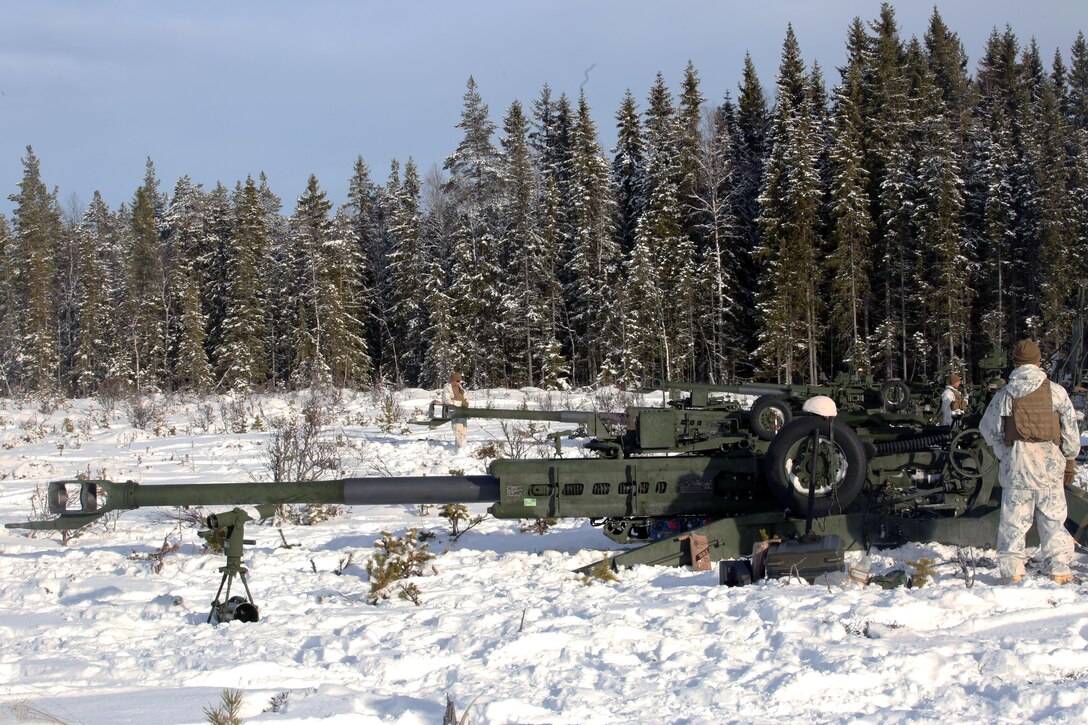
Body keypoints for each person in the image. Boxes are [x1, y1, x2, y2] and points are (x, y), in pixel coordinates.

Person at [979, 339, 1080, 585]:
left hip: (1017, 469)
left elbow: (987, 428)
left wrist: (1006, 452)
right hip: (1050, 469)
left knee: (1014, 523)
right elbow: (1071, 434)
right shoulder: (1056, 392)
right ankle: (1059, 569)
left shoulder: (1005, 394)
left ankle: (1012, 572)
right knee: (1053, 521)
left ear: (1016, 363)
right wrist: (1068, 457)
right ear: (1038, 361)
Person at [442, 371, 469, 451]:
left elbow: (466, 398)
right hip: (454, 411)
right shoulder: (447, 388)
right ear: (453, 380)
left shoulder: (461, 388)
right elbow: (447, 400)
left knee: (464, 430)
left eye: (459, 381)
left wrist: (466, 405)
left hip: (463, 410)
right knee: (457, 429)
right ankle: (462, 449)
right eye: (457, 381)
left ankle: (460, 449)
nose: (459, 382)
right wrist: (460, 403)